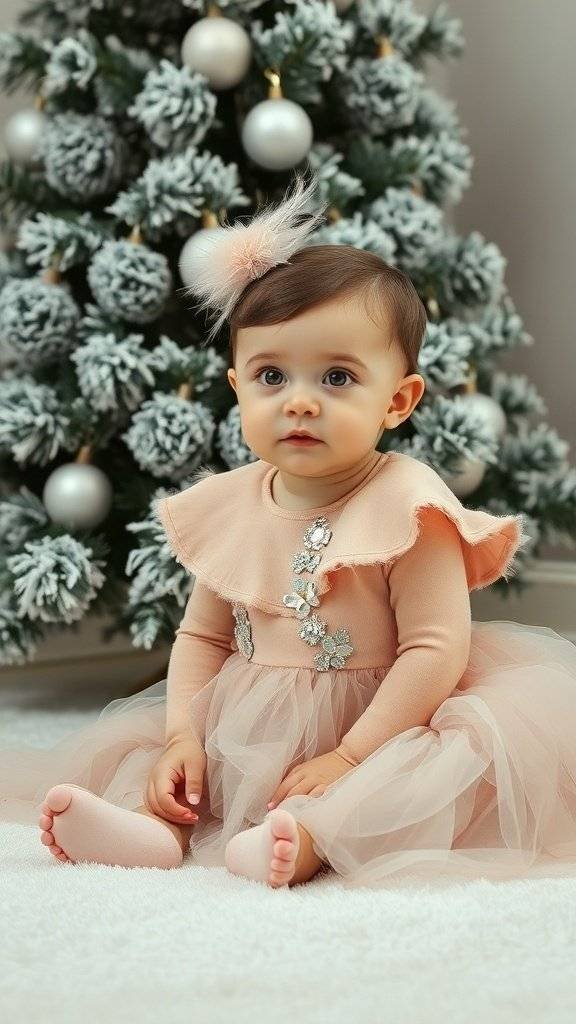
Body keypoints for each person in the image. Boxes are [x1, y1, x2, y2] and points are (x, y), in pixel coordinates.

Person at [2, 173, 576, 889]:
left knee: (427, 779)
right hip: (253, 716)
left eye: (336, 379)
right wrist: (183, 733)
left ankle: (308, 839)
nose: (299, 402)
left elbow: (434, 649)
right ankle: (155, 830)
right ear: (238, 386)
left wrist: (351, 755)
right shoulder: (231, 503)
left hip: (386, 719)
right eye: (272, 376)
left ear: (397, 400)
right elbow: (204, 637)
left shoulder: (408, 506)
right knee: (163, 758)